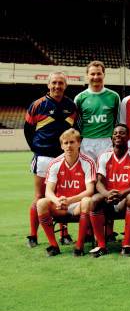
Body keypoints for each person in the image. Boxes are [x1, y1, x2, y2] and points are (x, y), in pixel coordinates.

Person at [24, 71, 78, 248]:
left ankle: (64, 234)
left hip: (63, 157)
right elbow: (28, 130)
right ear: (48, 85)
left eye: (61, 83)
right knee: (40, 196)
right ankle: (32, 235)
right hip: (44, 157)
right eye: (54, 83)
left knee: (63, 196)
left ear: (65, 86)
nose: (57, 86)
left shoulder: (71, 106)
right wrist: (37, 148)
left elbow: (73, 130)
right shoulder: (37, 105)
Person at [35, 129, 96, 256]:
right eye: (66, 143)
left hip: (77, 204)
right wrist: (57, 201)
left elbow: (90, 190)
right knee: (41, 203)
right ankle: (53, 245)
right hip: (60, 205)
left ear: (79, 143)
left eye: (72, 142)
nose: (69, 146)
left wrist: (70, 200)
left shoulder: (88, 162)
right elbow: (48, 191)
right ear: (61, 145)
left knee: (88, 201)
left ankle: (79, 246)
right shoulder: (55, 163)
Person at [90, 124, 130, 257]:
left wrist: (123, 193)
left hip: (125, 200)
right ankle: (101, 246)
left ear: (128, 137)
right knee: (95, 199)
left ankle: (126, 245)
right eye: (115, 133)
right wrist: (106, 193)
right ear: (111, 137)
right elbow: (98, 181)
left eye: (122, 133)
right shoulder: (104, 156)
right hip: (108, 199)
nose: (118, 136)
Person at [74, 60, 120, 161]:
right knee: (88, 175)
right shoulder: (79, 98)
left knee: (106, 175)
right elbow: (76, 122)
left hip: (107, 141)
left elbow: (118, 121)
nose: (96, 77)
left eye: (99, 73)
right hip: (87, 141)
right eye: (92, 74)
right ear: (87, 75)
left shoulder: (114, 96)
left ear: (104, 75)